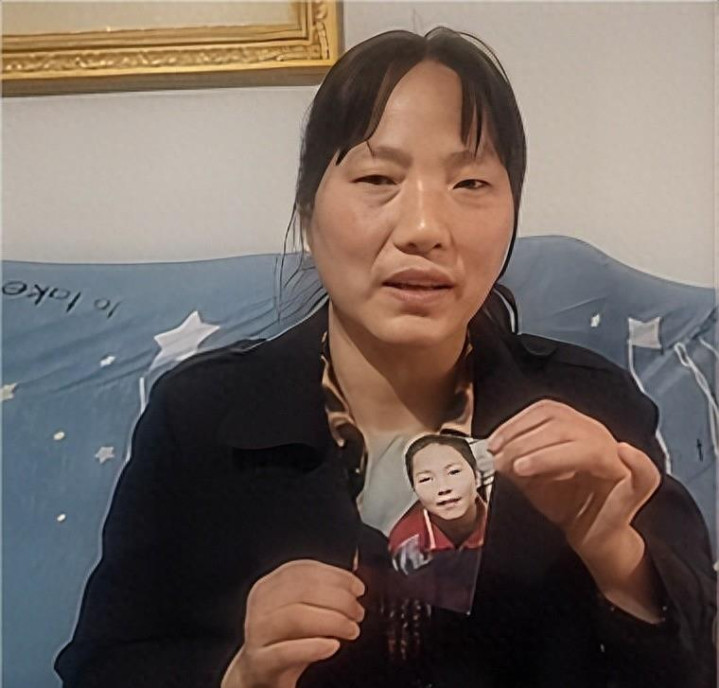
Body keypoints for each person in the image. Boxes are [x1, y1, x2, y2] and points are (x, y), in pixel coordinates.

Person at [55, 27, 716, 688]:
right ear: (308, 210)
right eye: (378, 177)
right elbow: (100, 666)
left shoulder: (592, 409)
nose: (424, 229)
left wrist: (616, 557)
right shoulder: (200, 418)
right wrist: (239, 676)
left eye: (470, 182)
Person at [387, 434, 489, 612]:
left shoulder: (506, 527)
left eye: (454, 472)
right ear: (414, 490)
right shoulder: (406, 544)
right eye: (426, 479)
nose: (443, 488)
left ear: (477, 477)